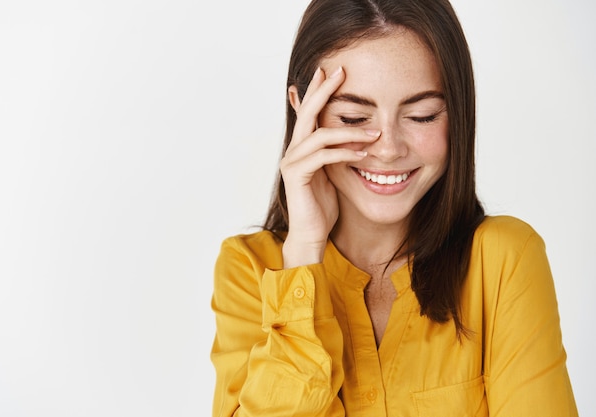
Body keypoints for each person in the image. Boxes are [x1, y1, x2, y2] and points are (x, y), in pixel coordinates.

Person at [210, 0, 578, 415]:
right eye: (352, 118)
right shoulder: (249, 269)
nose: (387, 149)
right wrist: (303, 258)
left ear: (457, 113)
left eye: (422, 116)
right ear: (303, 111)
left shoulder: (504, 258)